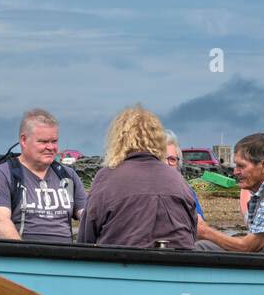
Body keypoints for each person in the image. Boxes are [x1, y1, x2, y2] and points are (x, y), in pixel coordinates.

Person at [80, 105, 197, 248]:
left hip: (122, 264)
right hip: (178, 265)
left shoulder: (107, 178)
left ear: (118, 139)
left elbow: (86, 238)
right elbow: (192, 229)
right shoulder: (178, 180)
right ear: (158, 140)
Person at [0, 109, 87, 241]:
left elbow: (86, 216)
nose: (51, 147)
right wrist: (25, 257)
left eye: (54, 141)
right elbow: (1, 223)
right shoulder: (3, 174)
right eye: (43, 142)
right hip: (22, 257)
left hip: (65, 258)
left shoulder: (67, 176)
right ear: (24, 140)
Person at [163, 127, 205, 222]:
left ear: (178, 165)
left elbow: (199, 224)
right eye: (161, 158)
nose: (166, 164)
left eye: (172, 159)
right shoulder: (142, 192)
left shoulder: (186, 192)